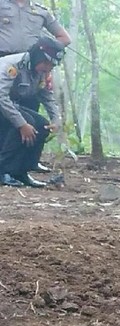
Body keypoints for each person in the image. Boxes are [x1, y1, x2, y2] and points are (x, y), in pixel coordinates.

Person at [0, 0, 71, 173]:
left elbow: (65, 38)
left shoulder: (40, 11)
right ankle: (5, 169)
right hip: (6, 63)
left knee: (33, 118)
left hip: (34, 65)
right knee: (10, 121)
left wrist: (49, 56)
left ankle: (24, 165)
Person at [0, 36, 63, 188]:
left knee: (41, 125)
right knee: (24, 123)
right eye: (46, 63)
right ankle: (3, 171)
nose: (48, 68)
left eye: (51, 65)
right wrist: (22, 124)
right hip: (2, 102)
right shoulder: (12, 66)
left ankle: (21, 171)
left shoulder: (41, 72)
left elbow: (46, 95)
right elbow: (1, 97)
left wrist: (56, 119)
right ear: (38, 56)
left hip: (9, 105)